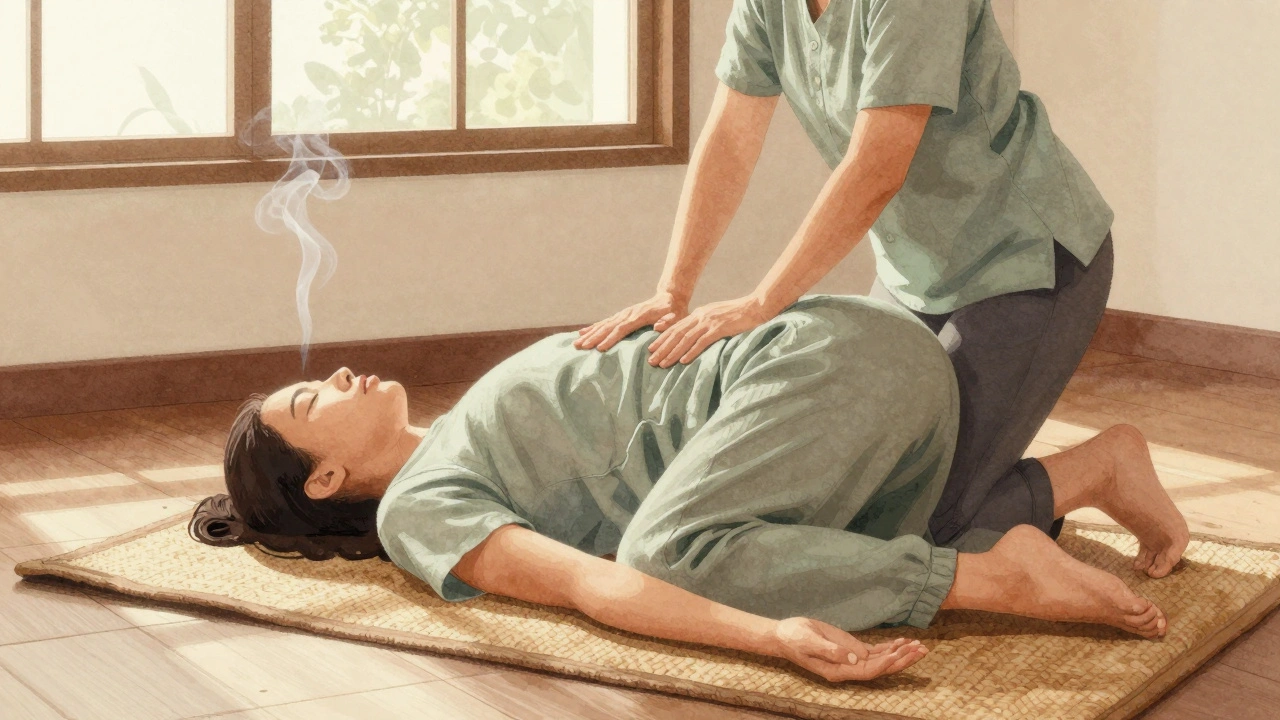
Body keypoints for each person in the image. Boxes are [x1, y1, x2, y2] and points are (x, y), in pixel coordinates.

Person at [199, 296, 1188, 683]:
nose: (338, 376)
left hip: (821, 369)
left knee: (675, 552)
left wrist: (767, 635)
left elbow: (628, 569)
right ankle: (1088, 472)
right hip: (865, 383)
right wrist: (766, 628)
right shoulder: (422, 505)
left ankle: (990, 579)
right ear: (325, 478)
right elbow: (582, 587)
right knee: (814, 550)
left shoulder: (465, 426)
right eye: (310, 397)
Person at [576, 0, 1140, 558]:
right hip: (911, 276)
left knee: (924, 530)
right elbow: (731, 137)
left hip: (1024, 262)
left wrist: (762, 302)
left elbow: (878, 166)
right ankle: (1006, 505)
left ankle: (1104, 467)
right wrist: (673, 290)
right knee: (849, 502)